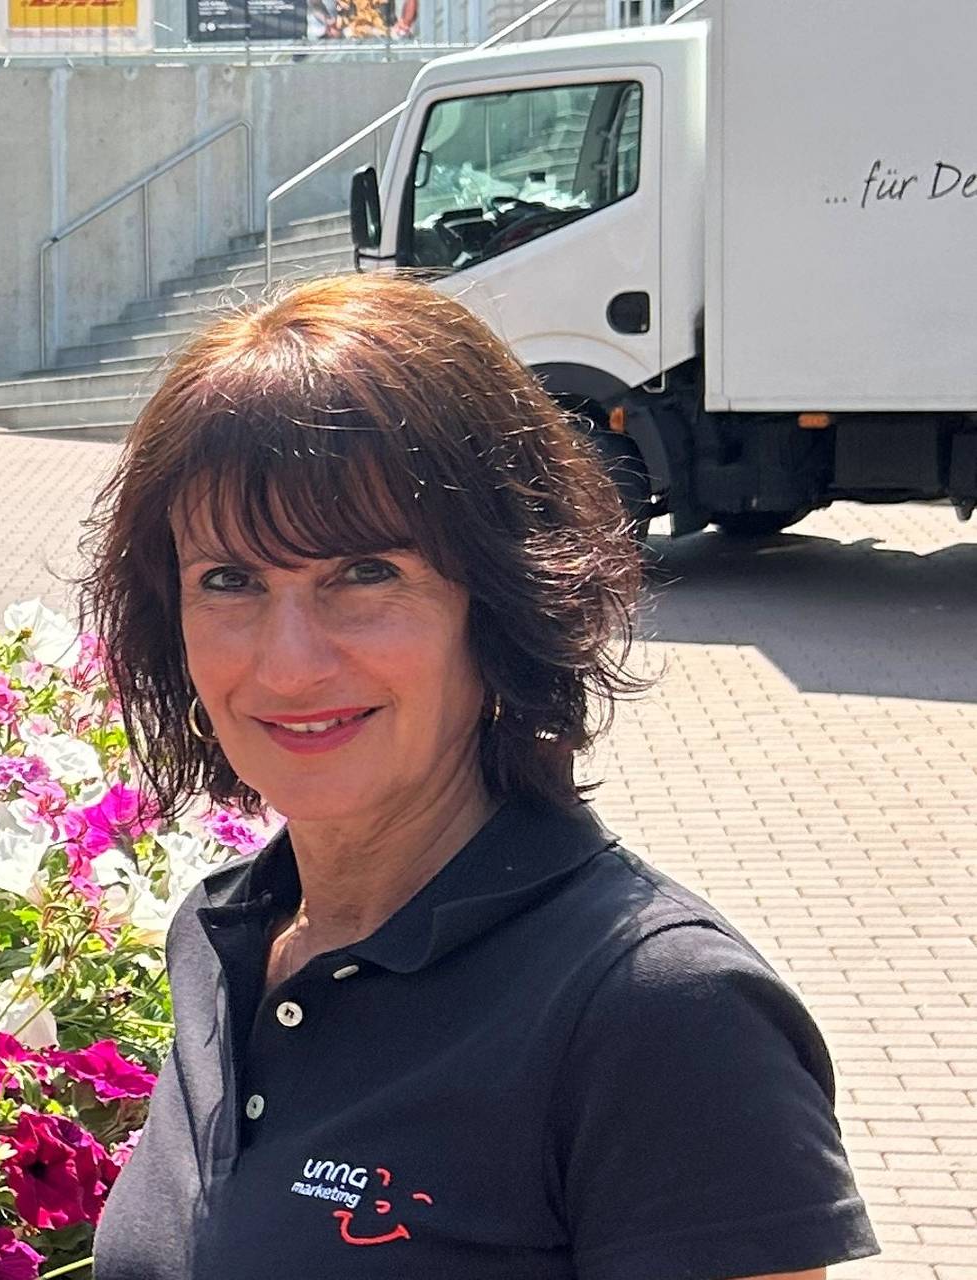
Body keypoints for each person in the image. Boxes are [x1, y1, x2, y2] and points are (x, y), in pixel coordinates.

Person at [82, 274, 877, 1278]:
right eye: (229, 580)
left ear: (500, 600)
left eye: (365, 573)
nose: (287, 664)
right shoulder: (224, 935)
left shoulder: (663, 1017)